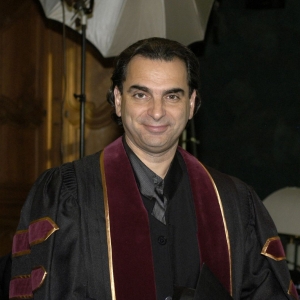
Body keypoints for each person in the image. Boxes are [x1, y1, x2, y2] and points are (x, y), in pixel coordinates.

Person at [9, 37, 298, 300]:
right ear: (119, 101)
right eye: (141, 95)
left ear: (192, 104)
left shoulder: (234, 203)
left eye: (172, 96)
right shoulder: (63, 196)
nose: (157, 111)